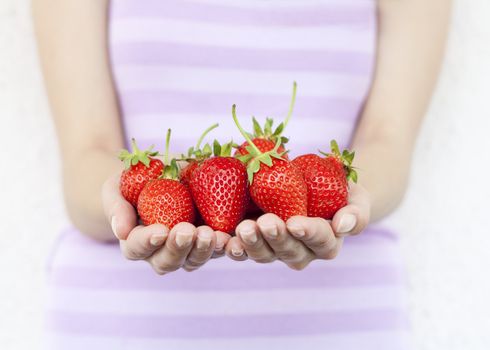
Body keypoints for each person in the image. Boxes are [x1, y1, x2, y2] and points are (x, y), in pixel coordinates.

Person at [33, 0, 450, 348]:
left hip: (342, 325)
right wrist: (124, 209)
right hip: (120, 325)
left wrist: (345, 200)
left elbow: (387, 142)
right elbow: (87, 154)